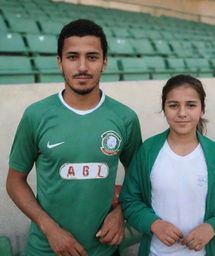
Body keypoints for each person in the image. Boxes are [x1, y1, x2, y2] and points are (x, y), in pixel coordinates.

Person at [6, 19, 142, 256]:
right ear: (59, 62)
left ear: (104, 62)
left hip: (104, 250)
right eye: (72, 57)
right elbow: (15, 182)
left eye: (92, 57)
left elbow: (138, 175)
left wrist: (121, 213)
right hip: (46, 249)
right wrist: (51, 230)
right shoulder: (36, 115)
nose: (82, 67)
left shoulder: (125, 118)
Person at [119, 75, 215, 256]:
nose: (182, 113)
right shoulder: (148, 151)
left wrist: (211, 227)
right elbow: (130, 200)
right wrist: (154, 224)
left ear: (202, 109)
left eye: (191, 105)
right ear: (164, 109)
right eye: (173, 105)